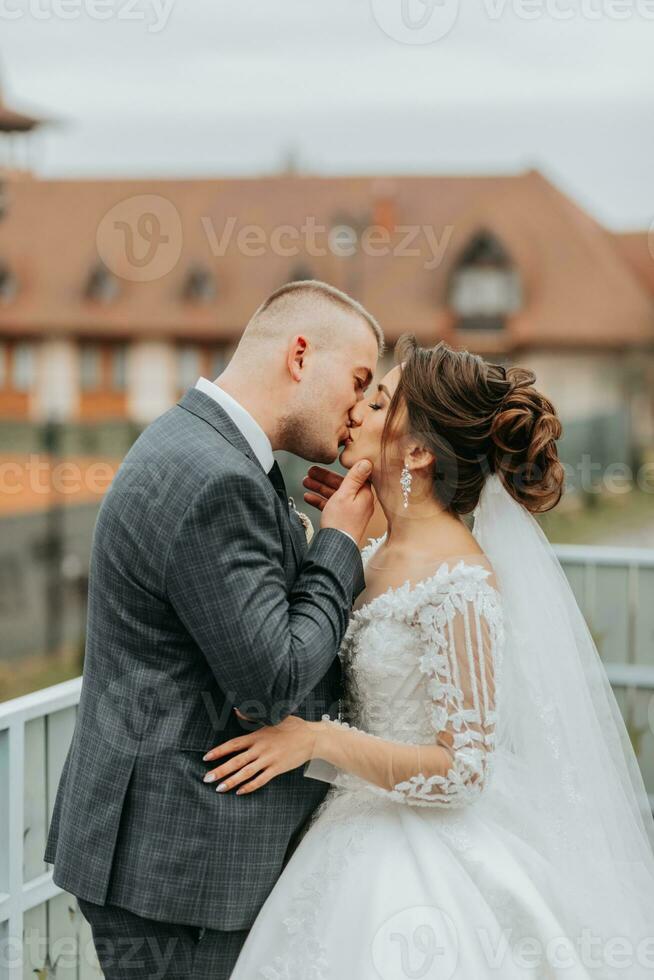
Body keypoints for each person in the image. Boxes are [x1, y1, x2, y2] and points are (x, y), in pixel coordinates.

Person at [212, 336, 654, 979]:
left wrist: (315, 741)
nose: (357, 409)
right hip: (346, 835)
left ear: (416, 450)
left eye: (380, 400)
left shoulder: (461, 585)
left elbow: (463, 771)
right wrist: (344, 536)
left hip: (424, 865)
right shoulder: (372, 555)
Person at [44, 280, 383, 979]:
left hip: (166, 854)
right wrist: (339, 546)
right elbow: (272, 683)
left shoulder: (201, 442)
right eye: (357, 381)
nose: (357, 410)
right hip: (180, 875)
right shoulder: (216, 480)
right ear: (299, 356)